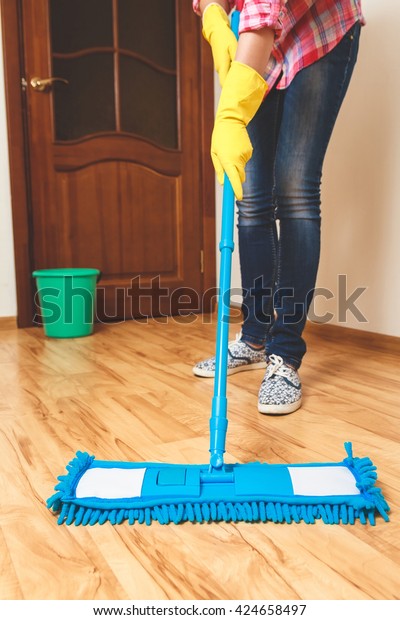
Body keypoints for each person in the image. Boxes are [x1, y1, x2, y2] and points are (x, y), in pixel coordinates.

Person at [192, 0, 363, 414]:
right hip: (259, 45)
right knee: (250, 195)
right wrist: (214, 15)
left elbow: (264, 14)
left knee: (295, 187)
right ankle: (253, 338)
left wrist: (231, 113)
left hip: (317, 32)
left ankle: (284, 354)